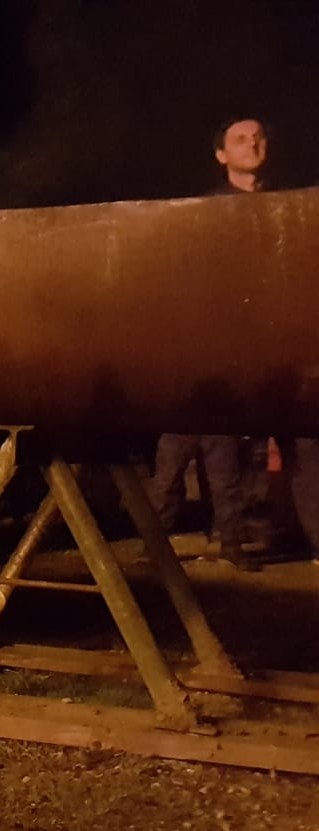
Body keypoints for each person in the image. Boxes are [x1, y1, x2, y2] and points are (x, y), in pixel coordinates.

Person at [146, 119, 270, 572]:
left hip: (240, 353)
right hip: (198, 354)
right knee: (173, 458)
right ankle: (154, 545)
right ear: (221, 155)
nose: (253, 144)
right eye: (240, 139)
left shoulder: (280, 206)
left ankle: (232, 541)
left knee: (225, 458)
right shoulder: (210, 211)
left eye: (258, 137)